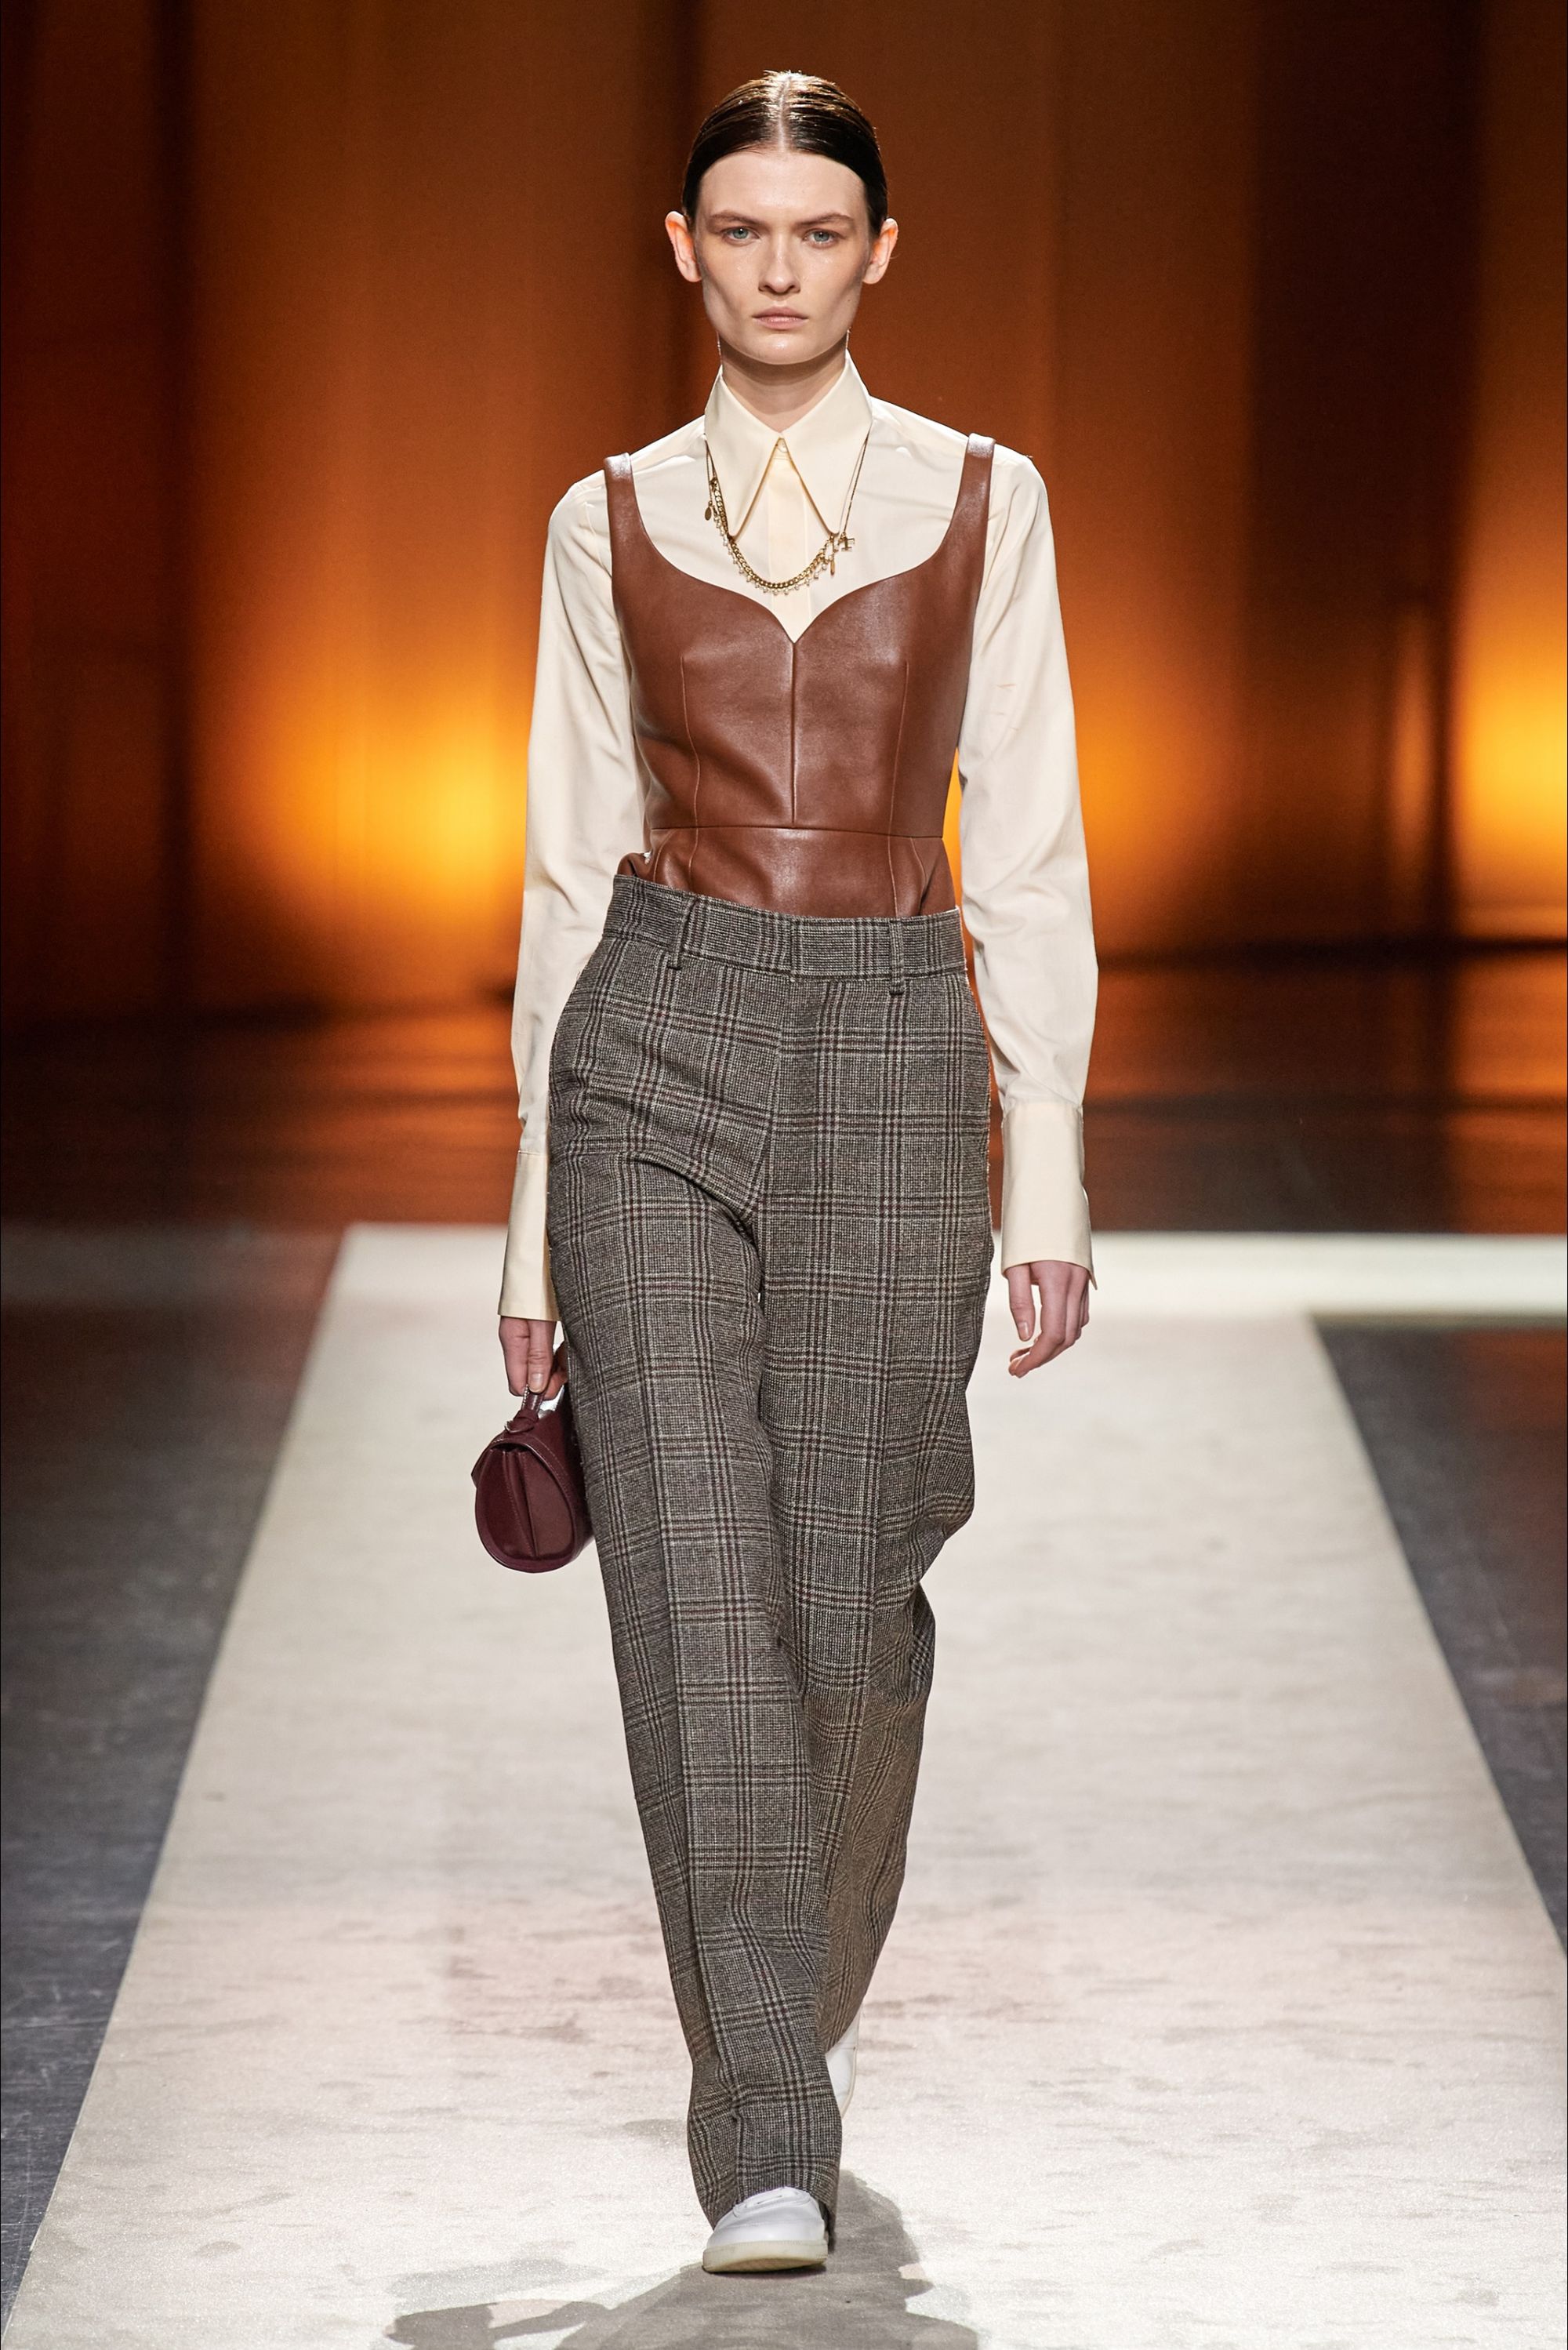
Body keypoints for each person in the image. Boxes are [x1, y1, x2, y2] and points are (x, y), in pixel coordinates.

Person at [497, 69, 1095, 2277]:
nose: (777, 268)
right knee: (691, 1594)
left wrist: (1050, 1167)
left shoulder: (984, 499)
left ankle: (783, 1997)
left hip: (890, 1039)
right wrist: (528, 1227)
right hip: (656, 1034)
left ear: (876, 253)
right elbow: (563, 872)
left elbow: (1028, 844)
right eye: (739, 231)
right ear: (686, 251)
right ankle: (763, 2119)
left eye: (816, 232)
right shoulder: (606, 517)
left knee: (857, 1591)